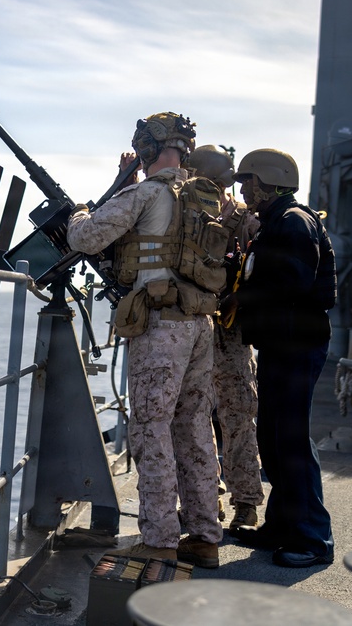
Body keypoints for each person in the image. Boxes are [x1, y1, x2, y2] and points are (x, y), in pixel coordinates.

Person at [67, 113, 223, 568]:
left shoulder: (146, 193)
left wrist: (81, 210)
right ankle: (204, 537)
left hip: (162, 328)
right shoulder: (203, 197)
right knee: (194, 427)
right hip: (199, 323)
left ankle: (159, 539)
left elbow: (85, 237)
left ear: (148, 150)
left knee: (151, 429)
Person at [230, 148, 338, 568]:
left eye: (247, 182)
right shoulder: (277, 221)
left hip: (298, 343)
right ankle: (281, 526)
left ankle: (314, 540)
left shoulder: (293, 221)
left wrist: (241, 295)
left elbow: (291, 283)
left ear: (265, 182)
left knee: (291, 440)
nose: (243, 190)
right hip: (281, 343)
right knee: (273, 439)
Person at [186, 144, 265, 531]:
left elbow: (261, 271)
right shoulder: (183, 215)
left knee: (237, 415)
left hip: (228, 330)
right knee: (192, 416)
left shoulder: (246, 221)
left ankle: (245, 502)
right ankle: (205, 500)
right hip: (192, 323)